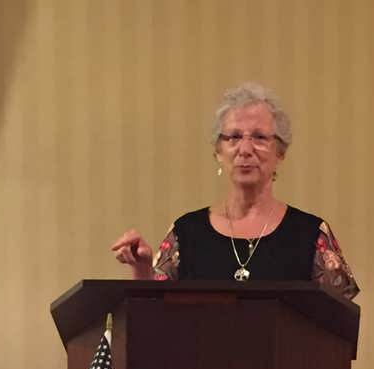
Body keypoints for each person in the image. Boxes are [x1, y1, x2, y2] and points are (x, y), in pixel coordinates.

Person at [112, 82, 359, 300]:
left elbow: (337, 322)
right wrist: (142, 269)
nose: (245, 149)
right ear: (218, 152)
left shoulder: (311, 233)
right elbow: (154, 315)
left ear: (280, 152)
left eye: (260, 137)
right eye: (234, 137)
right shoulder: (185, 232)